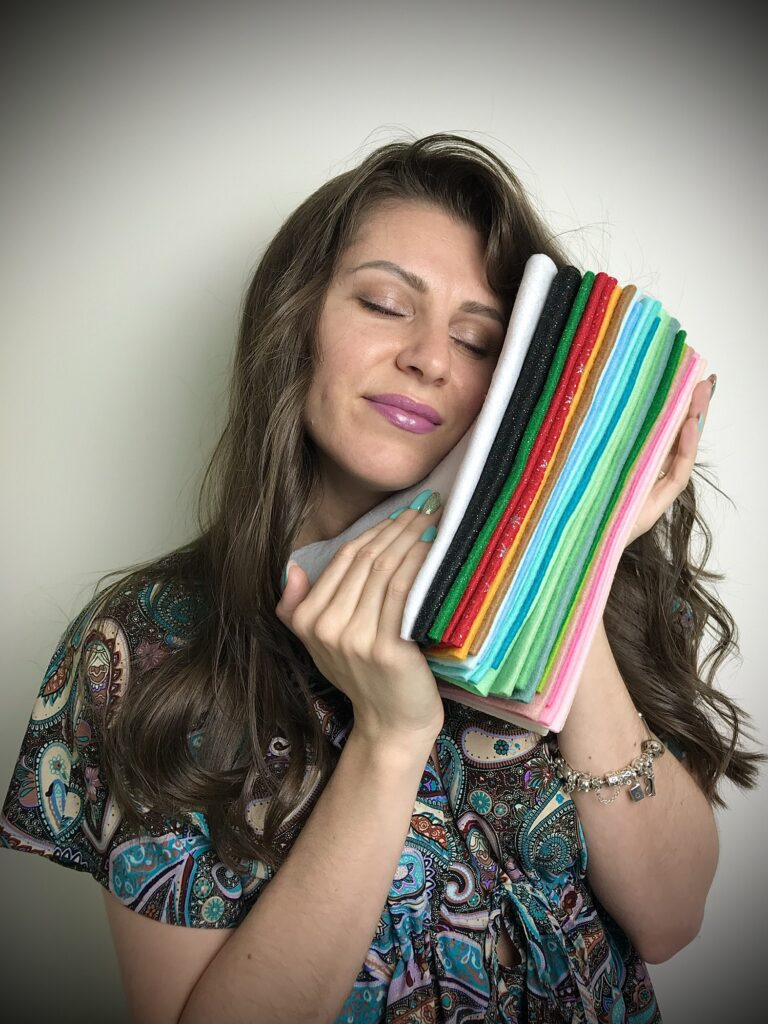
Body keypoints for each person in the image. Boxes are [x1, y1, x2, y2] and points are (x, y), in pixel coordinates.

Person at [1, 132, 763, 1024]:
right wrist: (390, 739)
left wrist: (570, 561)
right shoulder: (144, 645)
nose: (431, 360)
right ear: (298, 325)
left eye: (480, 340)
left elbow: (670, 919)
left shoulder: (608, 588)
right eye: (384, 304)